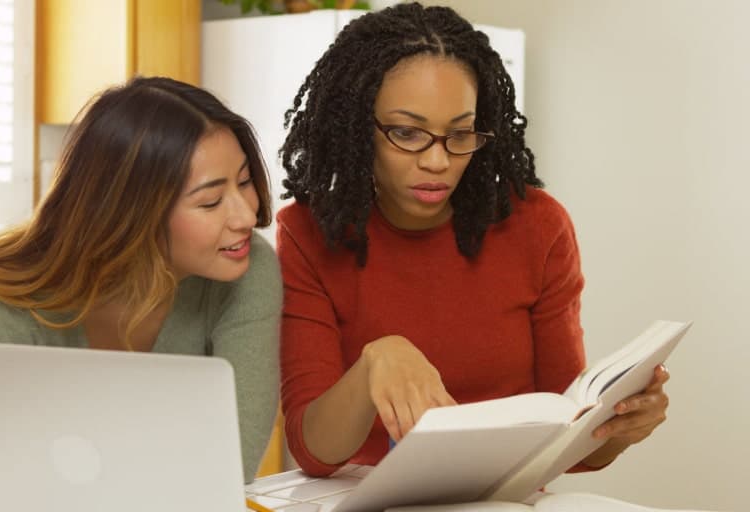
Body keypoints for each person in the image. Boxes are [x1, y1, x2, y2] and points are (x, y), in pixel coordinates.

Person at [276, 3, 670, 476]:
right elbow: (314, 452)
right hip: (365, 499)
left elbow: (570, 438)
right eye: (407, 132)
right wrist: (375, 362)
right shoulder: (307, 234)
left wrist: (620, 428)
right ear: (359, 129)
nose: (439, 161)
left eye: (460, 134)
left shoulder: (538, 227)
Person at [0, 76, 281, 483]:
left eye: (244, 182)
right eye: (210, 201)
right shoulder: (8, 293)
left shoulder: (247, 270)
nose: (245, 217)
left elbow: (230, 467)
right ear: (133, 212)